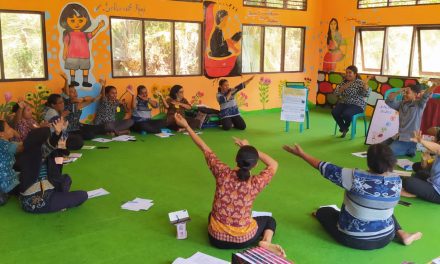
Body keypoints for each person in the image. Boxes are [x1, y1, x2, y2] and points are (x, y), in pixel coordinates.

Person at [173, 113, 286, 257]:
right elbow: (274, 164)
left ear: (235, 159)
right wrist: (250, 148)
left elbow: (204, 148)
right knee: (270, 220)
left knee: (211, 216)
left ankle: (226, 230)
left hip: (216, 239)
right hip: (243, 240)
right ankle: (266, 241)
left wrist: (187, 126)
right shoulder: (255, 183)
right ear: (256, 164)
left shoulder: (222, 173)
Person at [283, 143, 422, 249]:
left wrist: (302, 154)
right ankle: (402, 233)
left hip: (354, 238)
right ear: (392, 161)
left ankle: (324, 214)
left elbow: (323, 167)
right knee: (383, 207)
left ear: (369, 161)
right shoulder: (396, 180)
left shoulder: (354, 176)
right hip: (387, 237)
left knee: (323, 212)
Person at [18, 119, 88, 213]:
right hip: (40, 201)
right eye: (47, 138)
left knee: (66, 179)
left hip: (33, 197)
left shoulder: (29, 152)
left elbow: (60, 147)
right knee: (83, 195)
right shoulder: (37, 153)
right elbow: (50, 145)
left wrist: (63, 131)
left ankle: (60, 200)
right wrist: (57, 133)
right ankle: (58, 203)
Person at [385, 79, 439, 157]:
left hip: (409, 139)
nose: (404, 95)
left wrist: (434, 85)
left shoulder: (419, 105)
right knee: (379, 147)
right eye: (404, 93)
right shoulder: (401, 104)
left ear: (416, 94)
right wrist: (399, 91)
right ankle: (410, 150)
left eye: (408, 93)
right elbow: (388, 101)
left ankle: (410, 148)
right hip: (399, 136)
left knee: (386, 153)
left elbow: (425, 96)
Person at [59, 3, 105, 87]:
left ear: (86, 20)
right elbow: (66, 44)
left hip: (85, 55)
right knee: (72, 68)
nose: (77, 23)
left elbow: (92, 34)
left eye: (80, 20)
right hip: (72, 55)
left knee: (85, 68)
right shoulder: (68, 34)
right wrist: (64, 54)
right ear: (65, 21)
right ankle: (73, 81)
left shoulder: (84, 34)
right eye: (72, 20)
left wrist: (99, 27)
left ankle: (85, 81)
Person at [401, 130, 440, 204]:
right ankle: (418, 190)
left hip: (438, 193)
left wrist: (421, 141)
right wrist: (424, 160)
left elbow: (438, 149)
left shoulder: (438, 150)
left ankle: (417, 193)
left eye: (434, 138)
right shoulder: (437, 155)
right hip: (433, 181)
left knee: (408, 182)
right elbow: (426, 168)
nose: (432, 140)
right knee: (420, 173)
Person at [332, 65, 371, 138]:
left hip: (357, 104)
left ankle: (345, 127)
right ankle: (344, 128)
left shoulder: (359, 82)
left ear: (355, 74)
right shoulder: (343, 82)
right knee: (334, 112)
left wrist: (365, 84)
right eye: (346, 72)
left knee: (346, 114)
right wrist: (343, 88)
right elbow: (336, 93)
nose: (347, 74)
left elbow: (366, 94)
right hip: (344, 103)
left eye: (350, 72)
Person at [60, 73, 102, 140]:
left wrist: (102, 86)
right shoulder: (65, 102)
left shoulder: (77, 104)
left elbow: (91, 99)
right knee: (87, 136)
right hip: (69, 129)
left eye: (75, 91)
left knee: (96, 129)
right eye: (72, 92)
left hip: (77, 126)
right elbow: (67, 94)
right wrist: (66, 80)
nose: (75, 93)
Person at [0, 120, 22, 202]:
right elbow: (24, 146)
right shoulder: (5, 145)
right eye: (8, 128)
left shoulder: (3, 143)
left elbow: (19, 144)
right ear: (1, 134)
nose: (11, 129)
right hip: (7, 184)